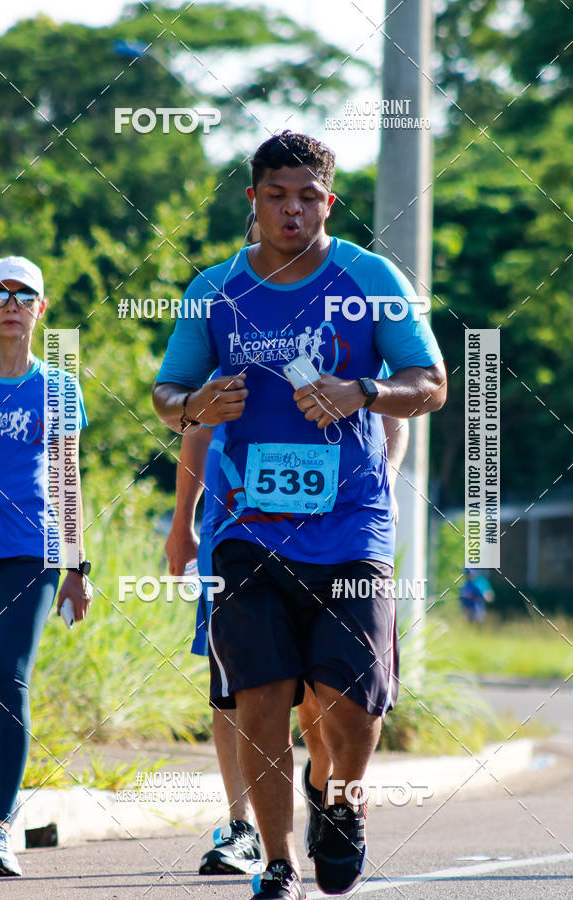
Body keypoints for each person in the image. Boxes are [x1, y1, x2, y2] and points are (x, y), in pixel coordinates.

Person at [153, 131, 446, 899]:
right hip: (248, 527)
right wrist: (193, 405)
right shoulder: (215, 289)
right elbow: (168, 392)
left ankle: (339, 804)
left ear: (330, 201)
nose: (292, 211)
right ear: (252, 200)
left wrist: (366, 392)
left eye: (307, 197)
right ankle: (278, 864)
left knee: (351, 709)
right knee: (261, 692)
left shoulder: (369, 277)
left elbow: (433, 381)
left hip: (351, 526)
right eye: (276, 196)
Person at [0, 256, 92, 877]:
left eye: (26, 295)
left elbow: (68, 477)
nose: (13, 303)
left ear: (41, 310)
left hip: (32, 550)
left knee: (5, 677)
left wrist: (76, 565)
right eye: (1, 294)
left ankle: (0, 831)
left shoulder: (60, 387)